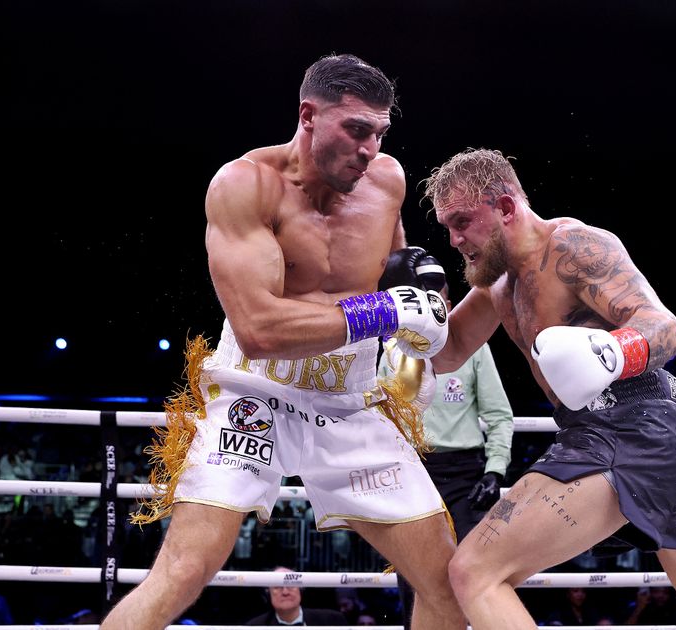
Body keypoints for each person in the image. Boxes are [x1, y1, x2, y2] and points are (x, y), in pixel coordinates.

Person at [102, 54, 462, 630]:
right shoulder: (246, 185)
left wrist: (422, 301)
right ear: (308, 116)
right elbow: (260, 330)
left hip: (349, 402)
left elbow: (400, 277)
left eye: (380, 132)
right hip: (254, 394)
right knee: (182, 573)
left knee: (450, 584)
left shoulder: (388, 181)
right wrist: (386, 310)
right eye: (356, 129)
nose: (370, 149)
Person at [423, 148, 676, 629]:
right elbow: (447, 352)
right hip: (627, 439)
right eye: (447, 226)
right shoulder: (496, 283)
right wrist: (404, 313)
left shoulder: (572, 246)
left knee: (473, 572)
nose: (454, 238)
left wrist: (609, 354)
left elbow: (666, 328)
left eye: (462, 221)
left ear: (505, 208)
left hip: (634, 427)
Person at [376, 247, 515, 629]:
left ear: (449, 304)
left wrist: (495, 471)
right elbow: (379, 419)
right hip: (413, 472)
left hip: (466, 476)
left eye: (436, 298)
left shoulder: (474, 349)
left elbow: (499, 416)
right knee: (414, 575)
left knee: (474, 571)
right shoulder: (390, 351)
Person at [244, 567, 348, 626]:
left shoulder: (332, 620)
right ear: (268, 593)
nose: (285, 592)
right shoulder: (254, 626)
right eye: (278, 587)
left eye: (291, 585)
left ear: (300, 589)